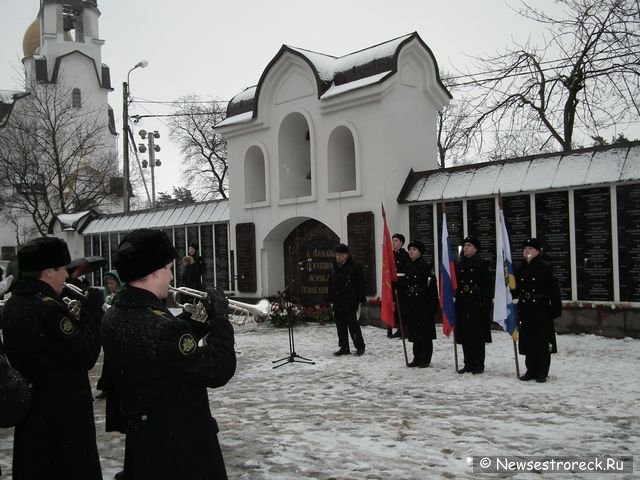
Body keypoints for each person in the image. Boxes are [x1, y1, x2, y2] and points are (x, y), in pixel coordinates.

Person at [101, 228, 236, 479]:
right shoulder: (162, 327)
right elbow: (219, 369)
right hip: (179, 450)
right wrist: (220, 320)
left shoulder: (116, 312)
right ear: (153, 272)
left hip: (145, 442)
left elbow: (164, 354)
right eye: (168, 269)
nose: (171, 277)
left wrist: (197, 319)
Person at [1, 236, 103, 479]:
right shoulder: (48, 308)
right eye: (62, 270)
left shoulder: (15, 302)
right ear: (48, 272)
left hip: (33, 415)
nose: (66, 277)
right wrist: (91, 314)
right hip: (63, 418)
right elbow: (85, 354)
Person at [515, 238, 562, 383]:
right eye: (525, 248)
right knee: (528, 339)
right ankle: (530, 369)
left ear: (538, 251)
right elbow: (515, 288)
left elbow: (554, 290)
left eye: (530, 248)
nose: (526, 251)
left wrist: (555, 309)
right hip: (525, 307)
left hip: (540, 308)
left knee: (541, 340)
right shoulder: (520, 268)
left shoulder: (545, 267)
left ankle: (542, 371)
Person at [397, 240, 439, 367]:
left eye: (414, 249)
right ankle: (416, 357)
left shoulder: (426, 266)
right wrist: (395, 285)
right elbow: (405, 285)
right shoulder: (408, 266)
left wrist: (433, 304)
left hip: (424, 303)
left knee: (424, 333)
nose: (411, 251)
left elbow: (431, 287)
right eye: (410, 249)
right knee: (414, 333)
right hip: (412, 303)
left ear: (420, 252)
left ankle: (425, 358)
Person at [454, 236, 492, 374]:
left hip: (476, 303)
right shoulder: (460, 265)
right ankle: (468, 362)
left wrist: (485, 303)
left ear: (476, 248)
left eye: (469, 245)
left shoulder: (482, 264)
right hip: (463, 302)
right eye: (464, 246)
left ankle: (478, 363)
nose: (466, 248)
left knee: (477, 335)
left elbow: (487, 287)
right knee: (465, 334)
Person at [327, 243, 366, 356]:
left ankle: (360, 346)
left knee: (353, 326)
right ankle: (344, 347)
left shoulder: (355, 267)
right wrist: (330, 299)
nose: (338, 257)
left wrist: (360, 300)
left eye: (340, 254)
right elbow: (330, 284)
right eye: (336, 254)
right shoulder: (334, 267)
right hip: (338, 301)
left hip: (350, 301)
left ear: (347, 255)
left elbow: (361, 285)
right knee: (340, 326)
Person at [96, 269, 125, 399]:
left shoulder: (123, 297)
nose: (109, 286)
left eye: (112, 283)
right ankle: (106, 386)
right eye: (108, 283)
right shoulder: (108, 297)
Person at [388, 233, 410, 338]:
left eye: (396, 240)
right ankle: (399, 329)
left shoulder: (405, 255)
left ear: (401, 243)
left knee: (403, 308)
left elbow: (406, 271)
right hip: (392, 284)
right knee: (396, 308)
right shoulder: (391, 254)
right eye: (393, 240)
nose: (393, 243)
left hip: (401, 284)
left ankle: (405, 330)